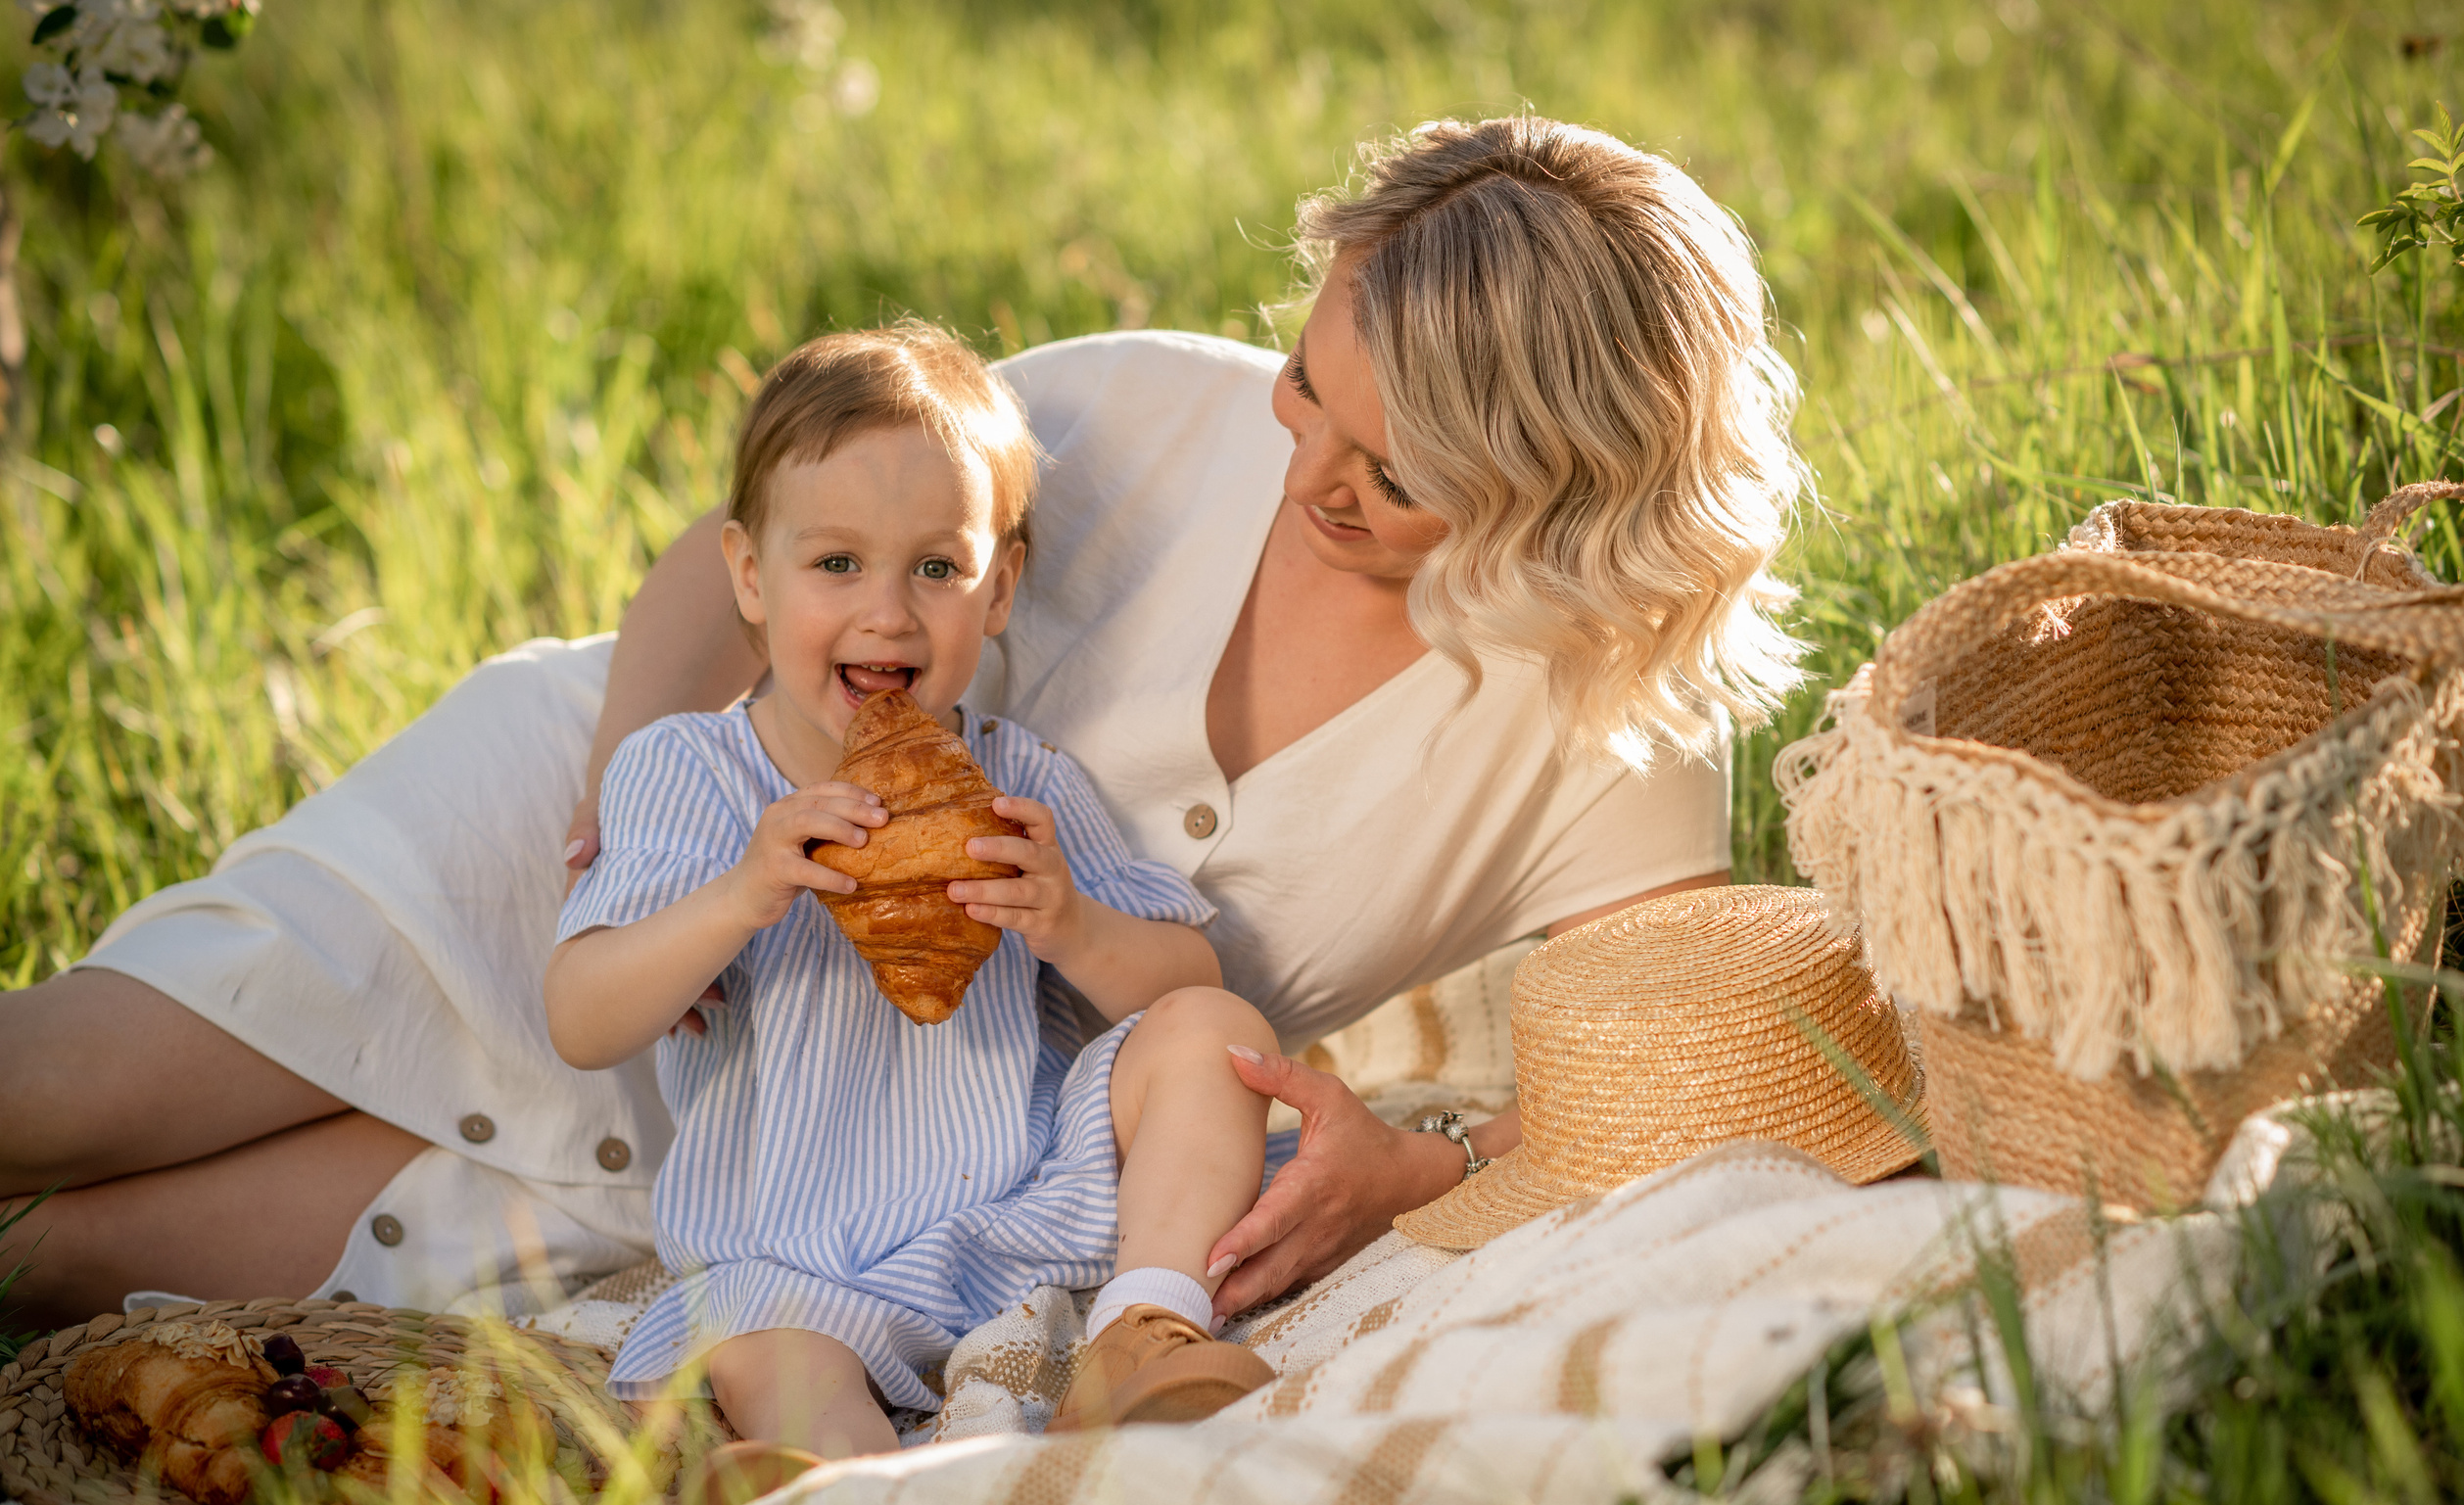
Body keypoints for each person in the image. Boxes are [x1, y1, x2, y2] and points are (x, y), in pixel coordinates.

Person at [0, 116, 1805, 1336]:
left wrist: (1423, 1162)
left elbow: (1664, 1077)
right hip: (606, 862)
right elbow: (745, 565)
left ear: (1558, 503)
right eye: (1308, 379)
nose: (1301, 454)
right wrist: (637, 801)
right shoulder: (1141, 414)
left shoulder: (1612, 737)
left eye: (1391, 471)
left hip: (818, 1147)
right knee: (49, 1099)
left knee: (68, 1268)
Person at [547, 324, 1274, 1505]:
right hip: (791, 1246)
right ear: (747, 574)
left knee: (1216, 1032)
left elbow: (1187, 970)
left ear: (1000, 589)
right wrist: (742, 893)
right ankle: (846, 1490)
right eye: (835, 564)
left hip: (1022, 1204)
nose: (887, 615)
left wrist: (1072, 924)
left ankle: (1146, 1324)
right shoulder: (687, 773)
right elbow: (581, 1016)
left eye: (936, 569)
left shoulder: (1018, 776)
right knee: (766, 1344)